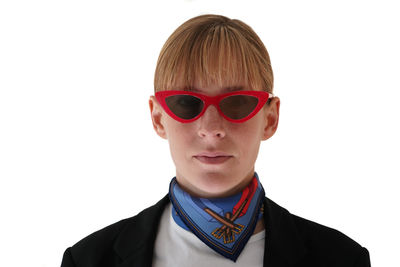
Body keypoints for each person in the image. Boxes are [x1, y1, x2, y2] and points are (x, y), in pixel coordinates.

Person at [60, 14, 371, 267]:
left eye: (237, 102)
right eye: (186, 102)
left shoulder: (342, 259)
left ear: (270, 118)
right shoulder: (88, 260)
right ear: (158, 118)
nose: (211, 128)